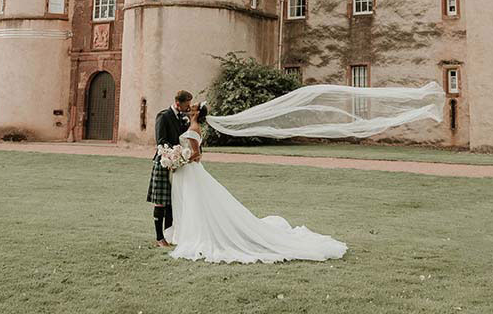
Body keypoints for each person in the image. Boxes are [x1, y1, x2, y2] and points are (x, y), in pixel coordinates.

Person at [164, 102, 347, 264]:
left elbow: (197, 155)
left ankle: (199, 235)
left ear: (196, 114)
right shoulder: (192, 125)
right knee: (197, 203)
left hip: (191, 170)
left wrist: (180, 160)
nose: (190, 108)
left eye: (193, 107)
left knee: (199, 202)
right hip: (189, 172)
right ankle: (191, 232)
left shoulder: (194, 127)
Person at [147, 89, 192, 247]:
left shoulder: (184, 118)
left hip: (177, 162)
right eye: (187, 103)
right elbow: (161, 140)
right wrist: (173, 154)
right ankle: (160, 238)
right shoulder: (163, 116)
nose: (189, 106)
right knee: (161, 202)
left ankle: (169, 234)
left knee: (172, 202)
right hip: (164, 161)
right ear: (178, 103)